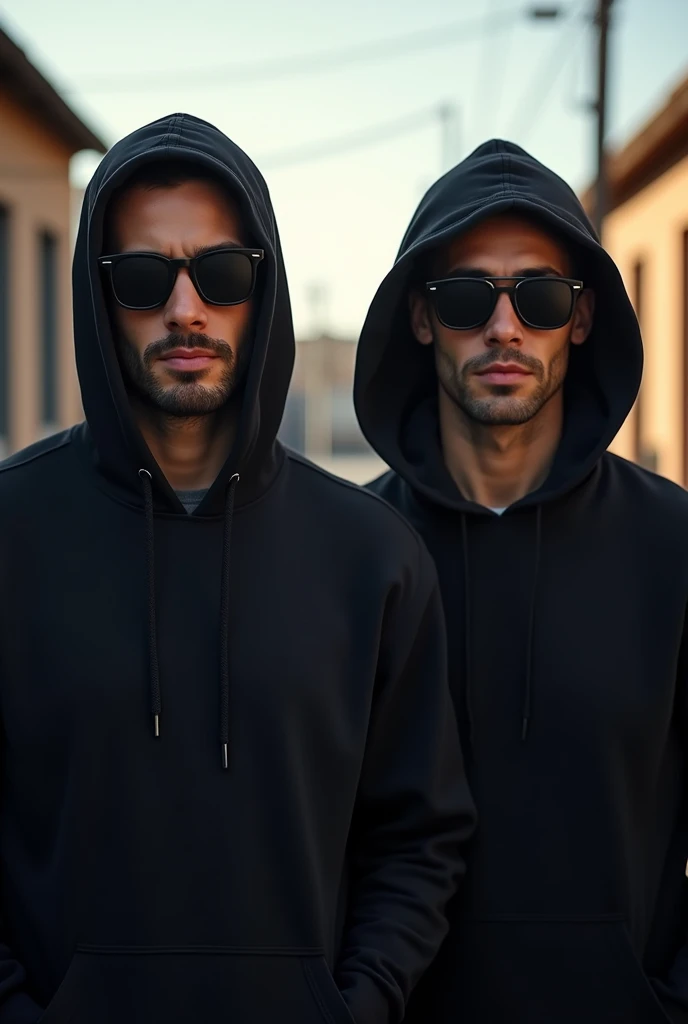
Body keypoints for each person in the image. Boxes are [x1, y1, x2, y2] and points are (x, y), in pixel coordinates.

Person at [0, 113, 475, 1024]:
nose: (186, 310)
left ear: (264, 291)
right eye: (144, 278)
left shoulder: (369, 556)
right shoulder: (13, 537)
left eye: (219, 275)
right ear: (98, 300)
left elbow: (420, 837)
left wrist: (360, 1002)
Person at [355, 138, 688, 1023]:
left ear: (581, 317)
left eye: (538, 296)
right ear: (420, 317)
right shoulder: (350, 554)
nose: (504, 328)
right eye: (467, 296)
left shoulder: (676, 546)